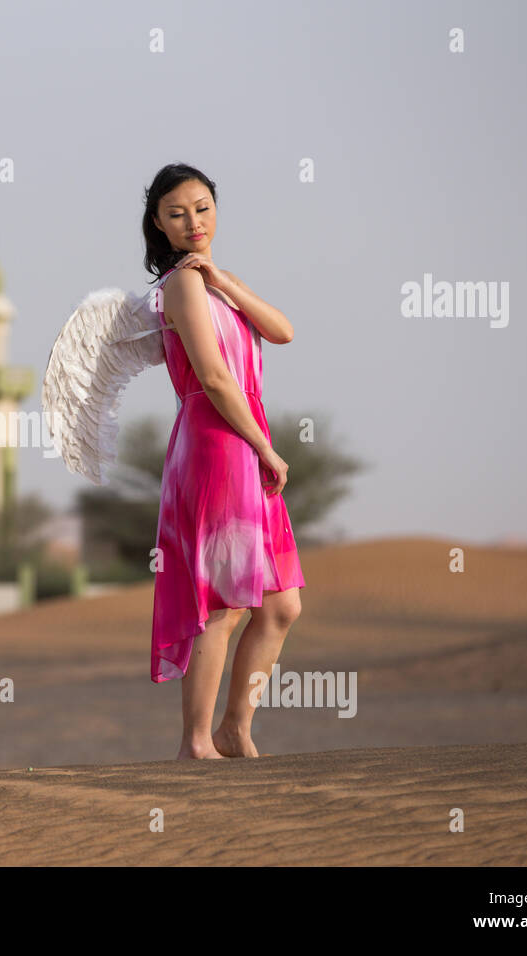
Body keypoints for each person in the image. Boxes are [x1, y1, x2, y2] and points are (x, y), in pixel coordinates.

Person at [144, 163, 306, 759]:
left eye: (203, 207)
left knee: (283, 603)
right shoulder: (179, 286)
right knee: (226, 600)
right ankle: (195, 742)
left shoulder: (211, 279)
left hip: (245, 437)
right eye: (177, 212)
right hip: (216, 443)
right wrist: (264, 447)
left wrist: (226, 282)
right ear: (158, 225)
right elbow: (213, 376)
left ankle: (235, 728)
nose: (194, 221)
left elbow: (283, 331)